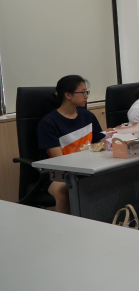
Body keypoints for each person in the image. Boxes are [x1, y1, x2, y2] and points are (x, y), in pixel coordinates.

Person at [37, 75, 105, 214]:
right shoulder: (48, 123)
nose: (86, 96)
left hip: (87, 168)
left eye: (87, 92)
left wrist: (114, 137)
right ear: (67, 95)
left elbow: (100, 141)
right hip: (58, 175)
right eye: (83, 92)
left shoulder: (88, 116)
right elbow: (60, 161)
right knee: (64, 190)